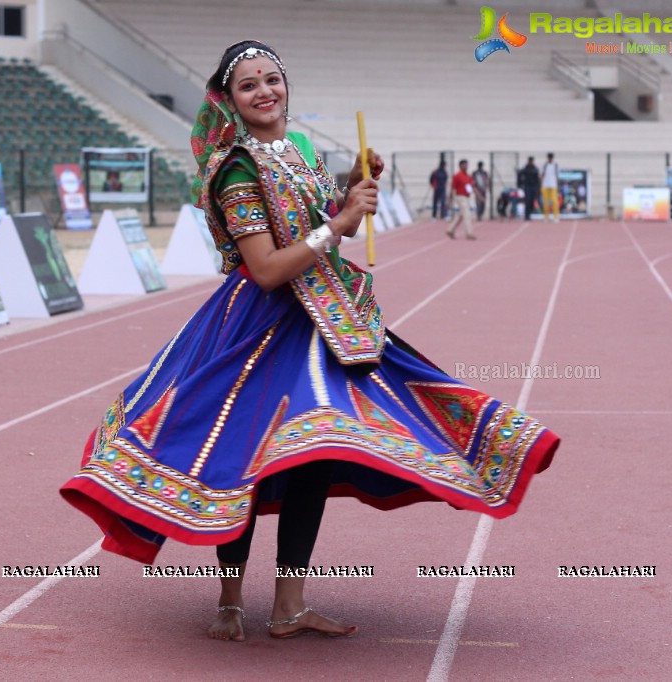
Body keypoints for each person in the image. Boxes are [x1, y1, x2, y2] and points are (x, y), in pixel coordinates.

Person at [60, 40, 559, 643]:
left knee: (314, 459)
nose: (265, 91)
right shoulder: (236, 168)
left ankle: (290, 605)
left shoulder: (296, 149)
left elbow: (314, 221)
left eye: (273, 79)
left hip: (322, 323)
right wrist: (342, 222)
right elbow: (268, 268)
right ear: (231, 100)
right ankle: (231, 601)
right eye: (249, 85)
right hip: (256, 328)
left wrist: (348, 192)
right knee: (237, 457)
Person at [446, 159, 480, 240]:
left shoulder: (468, 176)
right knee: (467, 214)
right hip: (460, 197)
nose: (466, 166)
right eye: (464, 165)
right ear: (460, 166)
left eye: (466, 165)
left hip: (467, 197)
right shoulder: (457, 176)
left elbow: (472, 187)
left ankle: (450, 230)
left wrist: (479, 196)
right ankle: (469, 233)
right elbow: (452, 189)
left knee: (461, 215)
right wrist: (449, 200)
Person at [517, 157, 540, 221]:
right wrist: (520, 184)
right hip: (527, 187)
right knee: (528, 201)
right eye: (530, 161)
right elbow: (519, 175)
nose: (531, 162)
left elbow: (537, 180)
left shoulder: (535, 169)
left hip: (533, 187)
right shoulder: (525, 169)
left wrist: (537, 187)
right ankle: (527, 215)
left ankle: (529, 214)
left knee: (532, 201)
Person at [540, 152, 560, 222]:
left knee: (555, 202)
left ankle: (556, 217)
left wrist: (557, 186)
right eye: (549, 158)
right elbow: (541, 175)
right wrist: (541, 185)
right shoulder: (544, 165)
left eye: (551, 158)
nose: (550, 159)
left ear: (553, 158)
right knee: (545, 202)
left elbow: (557, 176)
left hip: (553, 186)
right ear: (547, 158)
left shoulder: (555, 165)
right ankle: (546, 217)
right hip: (545, 185)